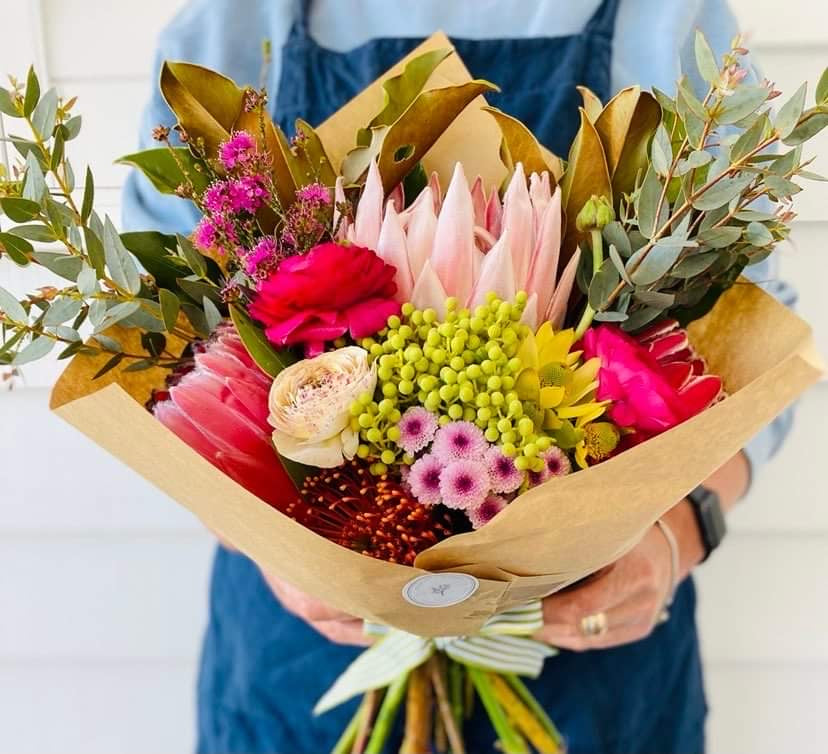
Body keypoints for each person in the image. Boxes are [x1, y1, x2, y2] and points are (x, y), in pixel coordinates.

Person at [123, 1, 796, 751]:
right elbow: (170, 356)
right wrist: (266, 544)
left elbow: (743, 343)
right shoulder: (227, 30)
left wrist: (678, 532)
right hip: (305, 655)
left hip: (596, 648)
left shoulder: (671, 20)